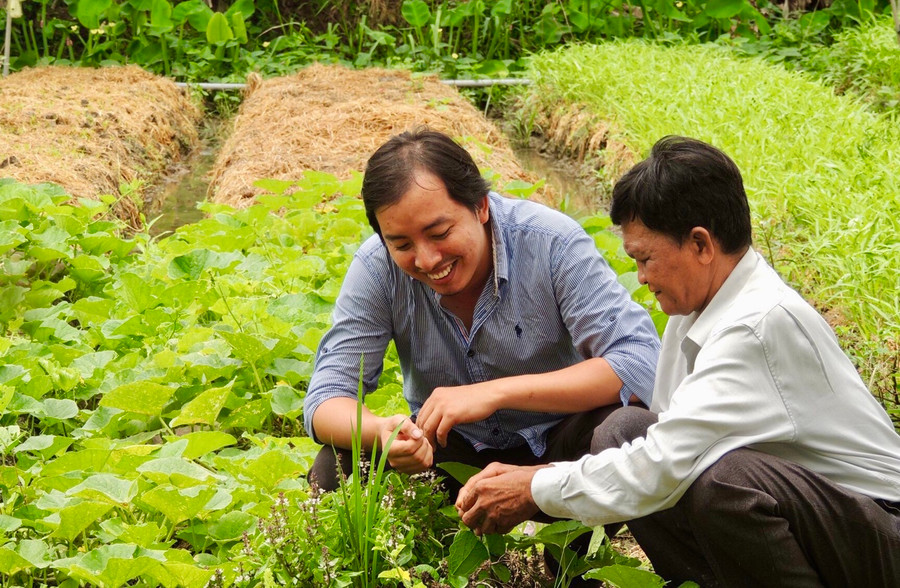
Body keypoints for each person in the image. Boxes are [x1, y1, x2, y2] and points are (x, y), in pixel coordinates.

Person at [455, 135, 900, 587]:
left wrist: (533, 487)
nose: (642, 277)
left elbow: (663, 465)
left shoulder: (754, 324)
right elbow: (658, 442)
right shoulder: (695, 313)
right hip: (817, 520)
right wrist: (545, 477)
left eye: (646, 259)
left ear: (701, 245)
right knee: (622, 430)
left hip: (880, 528)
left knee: (724, 481)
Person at [303, 128, 660, 504]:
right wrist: (382, 433)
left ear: (481, 207)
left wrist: (495, 393)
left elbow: (638, 360)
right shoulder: (377, 269)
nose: (426, 260)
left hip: (559, 449)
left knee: (628, 429)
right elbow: (326, 398)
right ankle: (432, 558)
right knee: (337, 463)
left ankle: (573, 559)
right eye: (402, 245)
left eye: (439, 233)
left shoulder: (550, 242)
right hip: (450, 448)